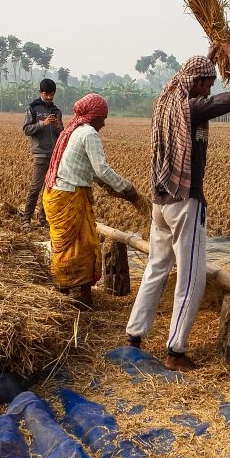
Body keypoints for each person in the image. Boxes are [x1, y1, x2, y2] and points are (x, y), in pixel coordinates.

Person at [125, 35, 230, 372]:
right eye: (208, 84)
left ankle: (134, 337)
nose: (210, 90)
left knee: (156, 268)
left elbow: (189, 75)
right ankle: (175, 351)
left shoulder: (165, 102)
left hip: (160, 201)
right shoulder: (193, 108)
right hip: (184, 203)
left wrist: (211, 56)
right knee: (191, 277)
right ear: (197, 84)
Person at [42, 93, 139, 309]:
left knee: (63, 246)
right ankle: (83, 298)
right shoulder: (88, 133)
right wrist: (129, 191)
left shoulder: (72, 130)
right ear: (93, 116)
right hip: (69, 195)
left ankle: (64, 289)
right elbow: (101, 169)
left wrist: (111, 186)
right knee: (83, 246)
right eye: (102, 117)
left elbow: (86, 169)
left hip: (56, 193)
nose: (103, 123)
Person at [21, 79, 64, 228]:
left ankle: (43, 218)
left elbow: (62, 134)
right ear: (41, 92)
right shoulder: (33, 108)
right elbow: (26, 129)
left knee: (49, 189)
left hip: (54, 155)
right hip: (40, 154)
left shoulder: (56, 111)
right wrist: (42, 124)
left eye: (51, 94)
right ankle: (26, 219)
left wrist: (58, 126)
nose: (49, 97)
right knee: (36, 188)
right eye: (46, 94)